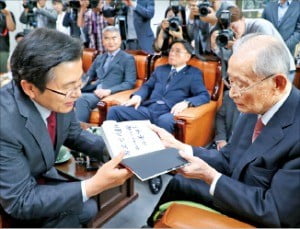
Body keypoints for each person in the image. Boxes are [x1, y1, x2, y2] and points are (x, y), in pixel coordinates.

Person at [146, 34, 300, 227]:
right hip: (238, 190)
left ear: (277, 84)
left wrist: (210, 176)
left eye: (241, 85)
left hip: (259, 213)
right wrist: (182, 147)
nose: (232, 93)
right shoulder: (257, 104)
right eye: (230, 81)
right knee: (179, 182)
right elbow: (228, 158)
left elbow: (275, 211)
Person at [0, 28, 132, 228]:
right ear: (30, 88)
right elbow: (20, 201)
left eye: (80, 83)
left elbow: (74, 134)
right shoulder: (4, 124)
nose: (78, 94)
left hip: (43, 177)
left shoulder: (61, 97)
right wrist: (92, 186)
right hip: (17, 198)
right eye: (69, 87)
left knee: (88, 209)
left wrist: (116, 152)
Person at [107, 39, 210, 134]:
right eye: (171, 50)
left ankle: (158, 153)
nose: (172, 54)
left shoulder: (193, 73)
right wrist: (138, 96)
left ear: (187, 57)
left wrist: (186, 103)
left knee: (164, 121)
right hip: (149, 109)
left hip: (168, 112)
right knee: (115, 111)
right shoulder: (161, 69)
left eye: (177, 51)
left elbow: (204, 95)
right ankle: (111, 147)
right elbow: (147, 86)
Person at [210, 6, 296, 82]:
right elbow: (230, 58)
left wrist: (238, 46)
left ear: (243, 19)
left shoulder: (260, 25)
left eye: (233, 27)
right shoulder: (235, 35)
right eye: (228, 29)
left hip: (284, 70)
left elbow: (266, 53)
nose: (232, 31)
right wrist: (215, 47)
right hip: (265, 74)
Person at [75, 26, 136, 123]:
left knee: (82, 99)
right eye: (107, 38)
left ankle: (78, 133)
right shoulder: (100, 58)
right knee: (66, 96)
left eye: (114, 38)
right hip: (93, 91)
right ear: (103, 41)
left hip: (110, 95)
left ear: (120, 39)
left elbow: (129, 83)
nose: (110, 42)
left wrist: (109, 91)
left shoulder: (127, 59)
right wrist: (77, 86)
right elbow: (88, 76)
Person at [0, 0, 15, 73]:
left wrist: (8, 15)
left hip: (3, 47)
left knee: (3, 72)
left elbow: (11, 28)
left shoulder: (8, 14)